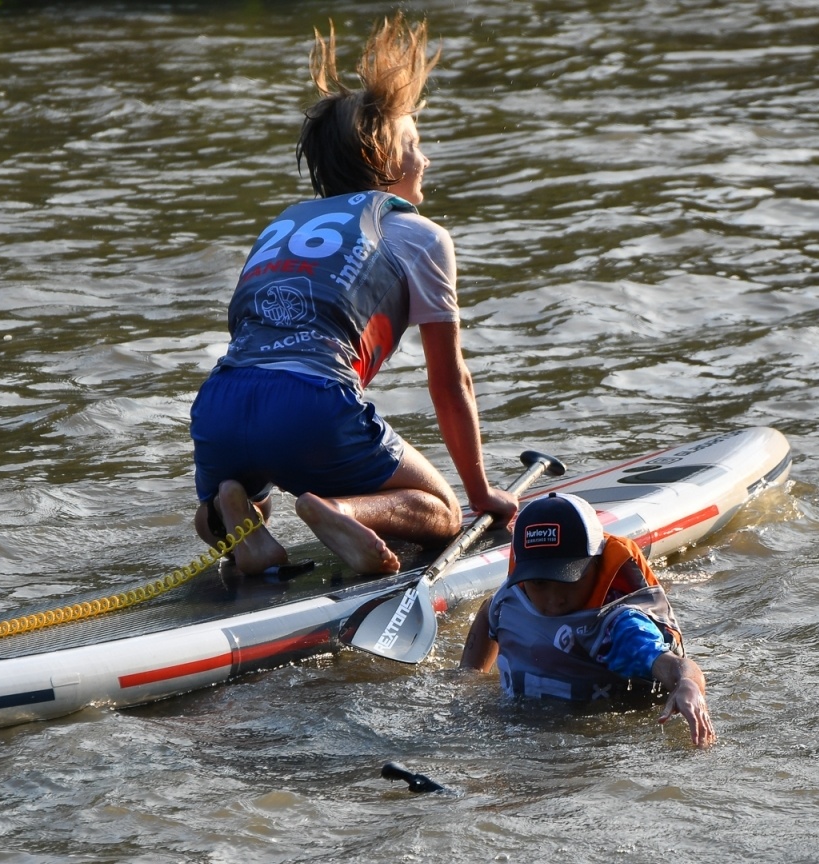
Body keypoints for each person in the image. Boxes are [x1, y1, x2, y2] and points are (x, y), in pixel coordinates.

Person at [188, 15, 518, 576]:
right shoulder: (419, 235)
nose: (426, 161)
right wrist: (482, 494)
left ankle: (241, 523)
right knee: (438, 512)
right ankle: (339, 510)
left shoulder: (281, 224)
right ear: (386, 161)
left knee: (245, 475)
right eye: (415, 146)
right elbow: (449, 380)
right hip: (309, 403)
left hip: (220, 403)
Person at [459, 493, 716, 748]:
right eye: (540, 583)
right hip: (518, 729)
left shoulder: (618, 628)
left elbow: (673, 665)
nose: (554, 599)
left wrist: (688, 684)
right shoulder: (513, 597)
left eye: (568, 580)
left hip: (583, 742)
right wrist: (468, 678)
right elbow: (488, 611)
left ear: (596, 564)